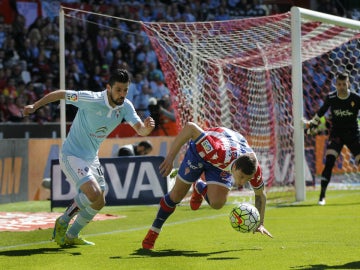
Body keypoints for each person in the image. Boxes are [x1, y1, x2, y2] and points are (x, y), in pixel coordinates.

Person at [23, 69, 155, 247]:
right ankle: (63, 221)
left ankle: (72, 234)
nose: (122, 94)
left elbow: (140, 129)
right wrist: (35, 106)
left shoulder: (126, 107)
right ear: (108, 88)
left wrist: (147, 128)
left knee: (100, 200)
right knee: (92, 193)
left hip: (91, 157)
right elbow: (61, 94)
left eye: (125, 90)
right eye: (118, 90)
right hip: (72, 154)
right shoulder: (91, 99)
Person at [142, 122, 273, 250]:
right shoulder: (217, 151)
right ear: (235, 167)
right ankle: (154, 230)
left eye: (247, 179)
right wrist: (170, 158)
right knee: (176, 196)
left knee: (217, 203)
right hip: (200, 154)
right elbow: (190, 127)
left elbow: (260, 195)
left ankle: (199, 186)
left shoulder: (254, 170)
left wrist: (260, 223)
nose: (243, 182)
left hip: (223, 160)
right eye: (242, 177)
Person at [304, 72, 360, 206]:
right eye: (339, 84)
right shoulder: (331, 97)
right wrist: (312, 123)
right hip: (337, 134)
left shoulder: (356, 98)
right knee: (329, 161)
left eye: (344, 84)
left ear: (348, 84)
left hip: (353, 134)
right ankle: (322, 196)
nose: (341, 87)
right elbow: (321, 111)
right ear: (336, 84)